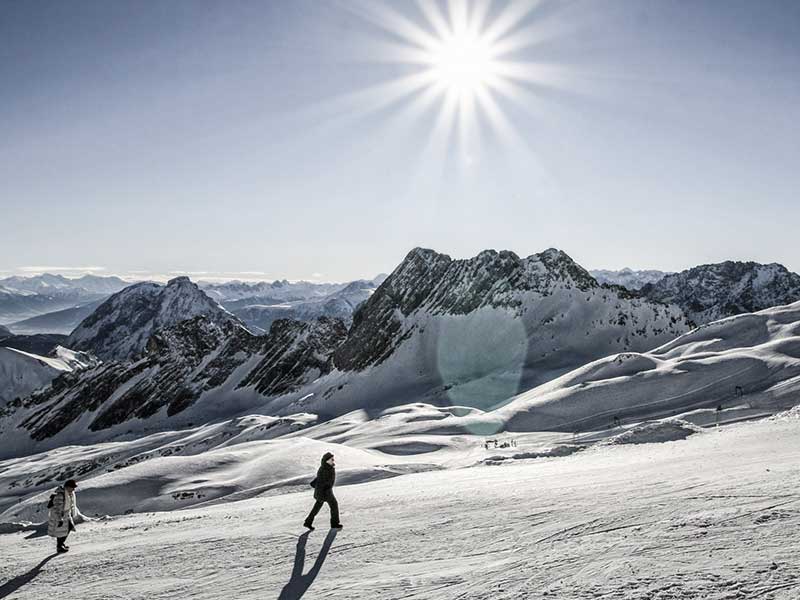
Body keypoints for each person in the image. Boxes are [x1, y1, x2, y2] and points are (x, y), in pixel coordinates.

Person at [47, 479, 89, 553]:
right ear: (67, 487)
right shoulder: (60, 495)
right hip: (60, 515)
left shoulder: (69, 493)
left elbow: (71, 504)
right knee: (61, 531)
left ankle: (61, 544)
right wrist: (60, 519)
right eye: (72, 487)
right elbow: (57, 508)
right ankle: (59, 546)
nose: (73, 489)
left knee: (67, 528)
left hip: (66, 514)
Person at [304, 452, 342, 531]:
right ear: (327, 460)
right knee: (334, 505)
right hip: (325, 491)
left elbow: (319, 478)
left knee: (317, 507)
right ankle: (334, 524)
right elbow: (321, 480)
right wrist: (325, 488)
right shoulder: (326, 468)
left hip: (323, 491)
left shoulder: (326, 467)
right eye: (331, 459)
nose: (333, 460)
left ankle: (308, 522)